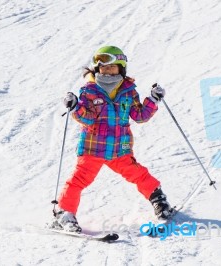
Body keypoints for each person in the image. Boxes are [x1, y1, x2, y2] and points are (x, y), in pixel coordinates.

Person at [51, 46, 173, 233]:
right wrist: (75, 107)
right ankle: (64, 214)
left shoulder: (129, 91)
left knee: (139, 174)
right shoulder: (89, 91)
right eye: (103, 67)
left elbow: (139, 115)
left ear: (121, 68)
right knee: (78, 180)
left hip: (119, 149)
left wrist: (153, 100)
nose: (106, 71)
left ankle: (159, 201)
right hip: (93, 148)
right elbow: (87, 118)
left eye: (111, 67)